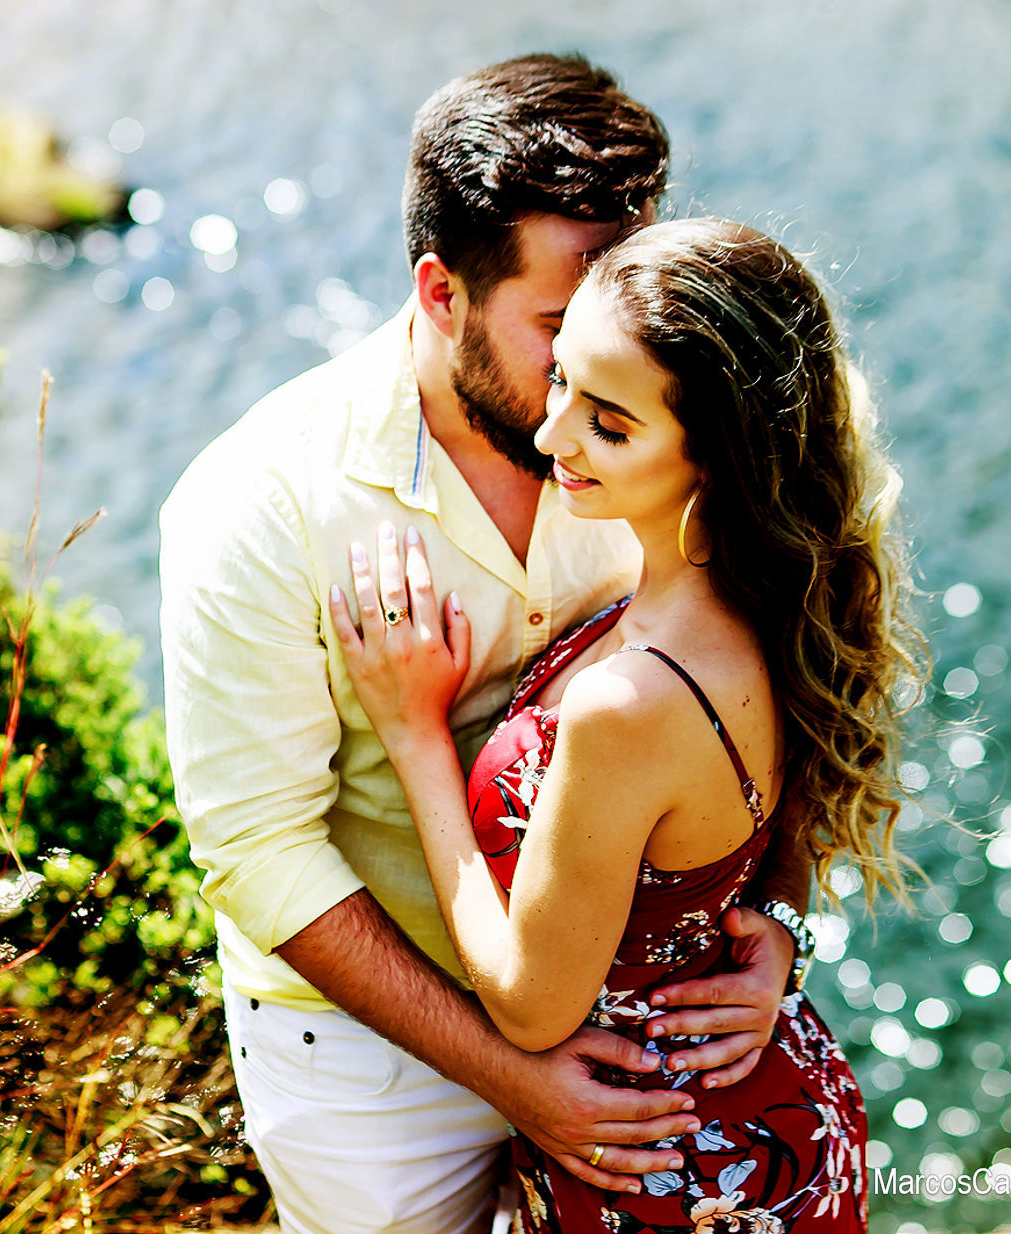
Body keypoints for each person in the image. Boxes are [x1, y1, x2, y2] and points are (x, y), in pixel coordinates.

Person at [159, 55, 819, 1233]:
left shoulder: (658, 416)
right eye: (559, 327)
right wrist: (510, 1070)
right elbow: (259, 850)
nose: (596, 366)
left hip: (636, 1033)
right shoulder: (260, 503)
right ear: (441, 291)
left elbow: (784, 666)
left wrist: (778, 916)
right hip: (373, 1076)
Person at [329, 218, 918, 1231]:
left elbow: (529, 1007)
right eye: (561, 379)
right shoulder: (775, 598)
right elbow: (784, 799)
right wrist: (780, 926)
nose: (551, 435)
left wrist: (413, 730)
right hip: (761, 1108)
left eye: (608, 424)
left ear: (718, 459)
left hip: (665, 1165)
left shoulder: (631, 702)